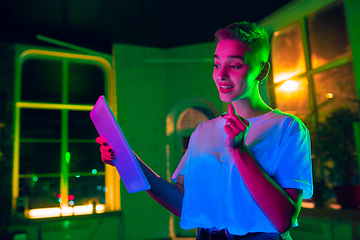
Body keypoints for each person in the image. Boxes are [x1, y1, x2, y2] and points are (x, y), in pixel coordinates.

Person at [96, 21, 313, 240]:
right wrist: (127, 159)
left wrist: (239, 151)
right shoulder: (203, 131)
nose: (221, 75)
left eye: (235, 65)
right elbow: (183, 203)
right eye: (217, 64)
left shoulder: (288, 128)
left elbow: (283, 219)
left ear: (262, 70)